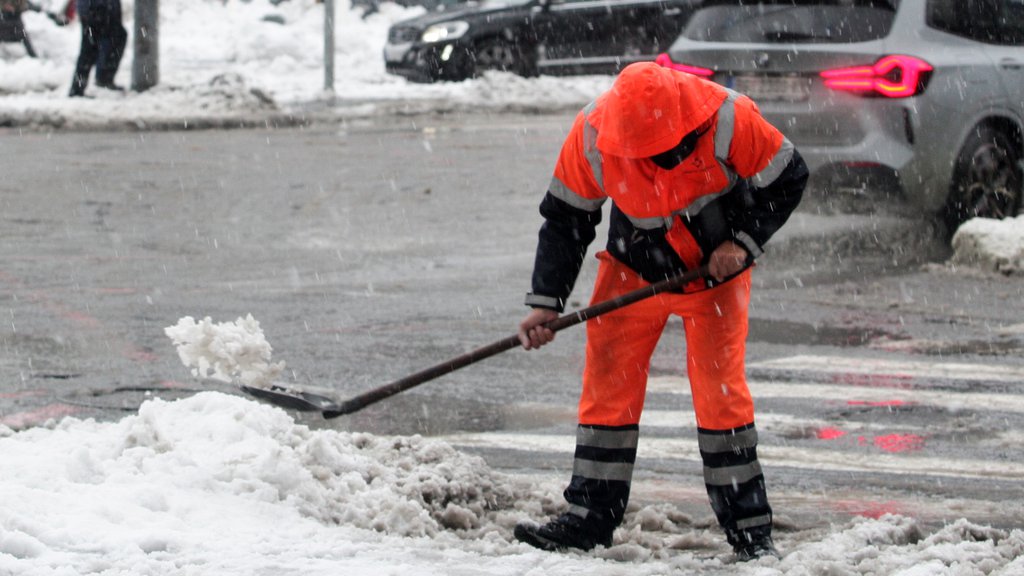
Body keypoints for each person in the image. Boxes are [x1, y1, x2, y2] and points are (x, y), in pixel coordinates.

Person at [513, 61, 807, 561]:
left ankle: (750, 531)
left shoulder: (730, 118)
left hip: (713, 274)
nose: (655, 162)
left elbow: (789, 177)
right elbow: (567, 220)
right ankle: (589, 518)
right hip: (631, 265)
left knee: (720, 398)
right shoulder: (592, 134)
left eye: (666, 151)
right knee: (608, 388)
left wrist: (742, 242)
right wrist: (546, 302)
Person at [68, 0, 126, 97]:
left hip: (94, 7)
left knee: (89, 48)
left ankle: (78, 87)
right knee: (113, 38)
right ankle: (103, 78)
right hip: (100, 7)